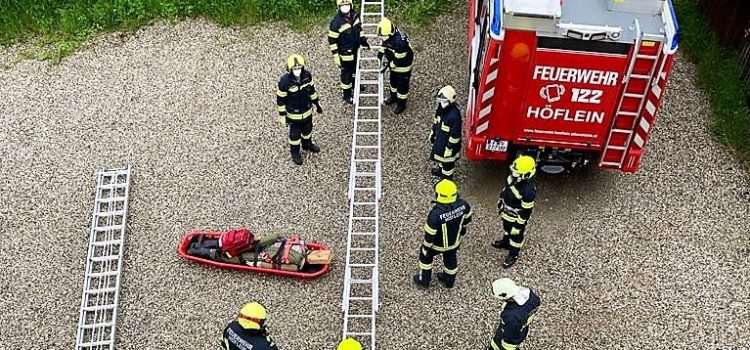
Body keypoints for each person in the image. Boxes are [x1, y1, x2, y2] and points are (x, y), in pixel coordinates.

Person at [413, 179, 472, 289]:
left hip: (436, 245)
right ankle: (449, 281)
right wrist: (462, 229)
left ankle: (424, 280)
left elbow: (430, 235)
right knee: (451, 259)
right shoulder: (463, 205)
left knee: (425, 258)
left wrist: (425, 248)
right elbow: (467, 219)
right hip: (453, 243)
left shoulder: (435, 215)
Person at [276, 54, 323, 165]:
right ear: (289, 69)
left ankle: (307, 144)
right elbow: (280, 100)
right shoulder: (284, 82)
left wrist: (317, 104)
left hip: (307, 112)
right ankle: (295, 153)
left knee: (308, 130)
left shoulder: (307, 76)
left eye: (299, 68)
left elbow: (312, 91)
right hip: (294, 116)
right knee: (295, 136)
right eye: (294, 68)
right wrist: (282, 115)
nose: (297, 70)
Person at [492, 155, 537, 268]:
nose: (514, 174)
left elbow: (526, 211)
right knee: (507, 229)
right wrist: (501, 201)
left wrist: (518, 225)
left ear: (526, 175)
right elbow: (506, 189)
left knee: (516, 236)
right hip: (506, 213)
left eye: (517, 173)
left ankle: (513, 254)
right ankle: (505, 242)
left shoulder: (528, 191)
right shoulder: (513, 178)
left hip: (516, 218)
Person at [328, 0, 370, 104]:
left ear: (351, 5)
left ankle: (356, 85)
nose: (345, 7)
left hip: (355, 50)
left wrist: (363, 39)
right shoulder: (336, 22)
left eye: (347, 5)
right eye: (342, 6)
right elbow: (332, 40)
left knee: (356, 69)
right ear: (338, 7)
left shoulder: (355, 15)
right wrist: (336, 55)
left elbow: (359, 29)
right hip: (345, 53)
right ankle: (347, 94)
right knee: (346, 73)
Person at [489, 278, 541, 350]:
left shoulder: (511, 316)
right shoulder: (531, 296)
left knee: (496, 345)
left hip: (507, 341)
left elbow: (511, 339)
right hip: (522, 330)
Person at [376, 17, 414, 115]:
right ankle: (393, 97)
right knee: (393, 82)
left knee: (402, 86)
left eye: (383, 36)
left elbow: (399, 58)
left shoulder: (399, 42)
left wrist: (390, 65)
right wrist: (380, 53)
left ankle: (401, 104)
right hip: (394, 63)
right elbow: (384, 44)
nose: (382, 38)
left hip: (403, 67)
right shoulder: (388, 35)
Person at [430, 85, 463, 180]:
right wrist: (433, 133)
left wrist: (449, 148)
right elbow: (436, 121)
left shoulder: (454, 116)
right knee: (441, 160)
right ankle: (441, 171)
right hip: (441, 142)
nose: (442, 103)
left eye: (444, 101)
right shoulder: (441, 110)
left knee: (448, 165)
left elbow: (455, 135)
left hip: (449, 147)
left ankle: (446, 179)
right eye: (441, 101)